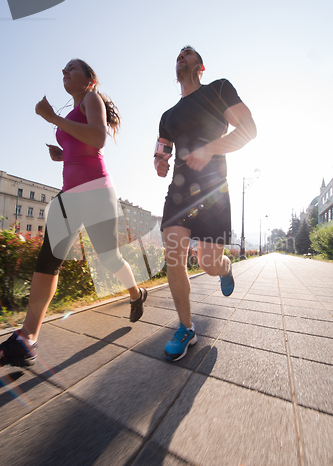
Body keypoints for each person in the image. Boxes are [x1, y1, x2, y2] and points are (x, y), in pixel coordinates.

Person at [0, 59, 147, 368]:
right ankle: (28, 337)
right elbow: (81, 146)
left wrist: (52, 117)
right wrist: (62, 154)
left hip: (96, 191)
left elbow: (97, 139)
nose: (64, 73)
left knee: (108, 258)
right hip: (69, 195)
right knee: (48, 261)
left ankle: (136, 293)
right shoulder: (70, 114)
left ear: (88, 80)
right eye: (63, 70)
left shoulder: (93, 99)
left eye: (71, 69)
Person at [154, 46, 256, 361]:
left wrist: (211, 148)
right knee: (175, 254)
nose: (181, 56)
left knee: (208, 263)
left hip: (214, 190)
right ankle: (186, 328)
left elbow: (248, 130)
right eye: (178, 55)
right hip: (180, 193)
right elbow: (161, 152)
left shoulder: (218, 90)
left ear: (201, 66)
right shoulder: (167, 117)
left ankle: (224, 268)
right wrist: (159, 163)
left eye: (188, 54)